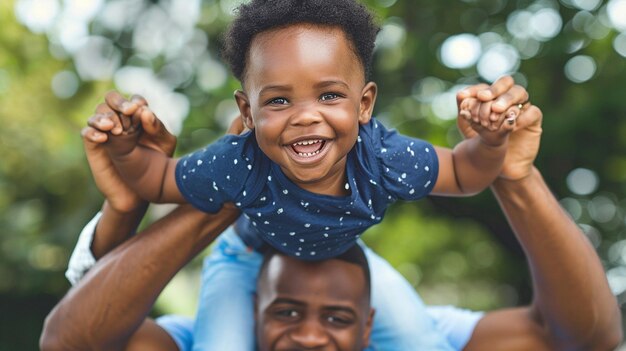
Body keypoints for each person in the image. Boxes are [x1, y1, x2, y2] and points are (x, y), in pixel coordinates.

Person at [92, 0, 530, 349]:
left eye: (328, 95)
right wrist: (127, 150)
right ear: (247, 111)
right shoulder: (239, 162)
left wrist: (490, 142)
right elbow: (159, 181)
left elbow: (464, 173)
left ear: (363, 104)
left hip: (342, 260)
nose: (305, 117)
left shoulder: (384, 158)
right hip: (245, 255)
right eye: (279, 101)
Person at [40, 92, 622, 350]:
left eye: (339, 318)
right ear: (252, 315)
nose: (312, 339)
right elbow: (72, 342)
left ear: (369, 328)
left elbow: (587, 340)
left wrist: (512, 173)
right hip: (242, 240)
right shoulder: (212, 333)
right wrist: (224, 187)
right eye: (286, 313)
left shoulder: (410, 333)